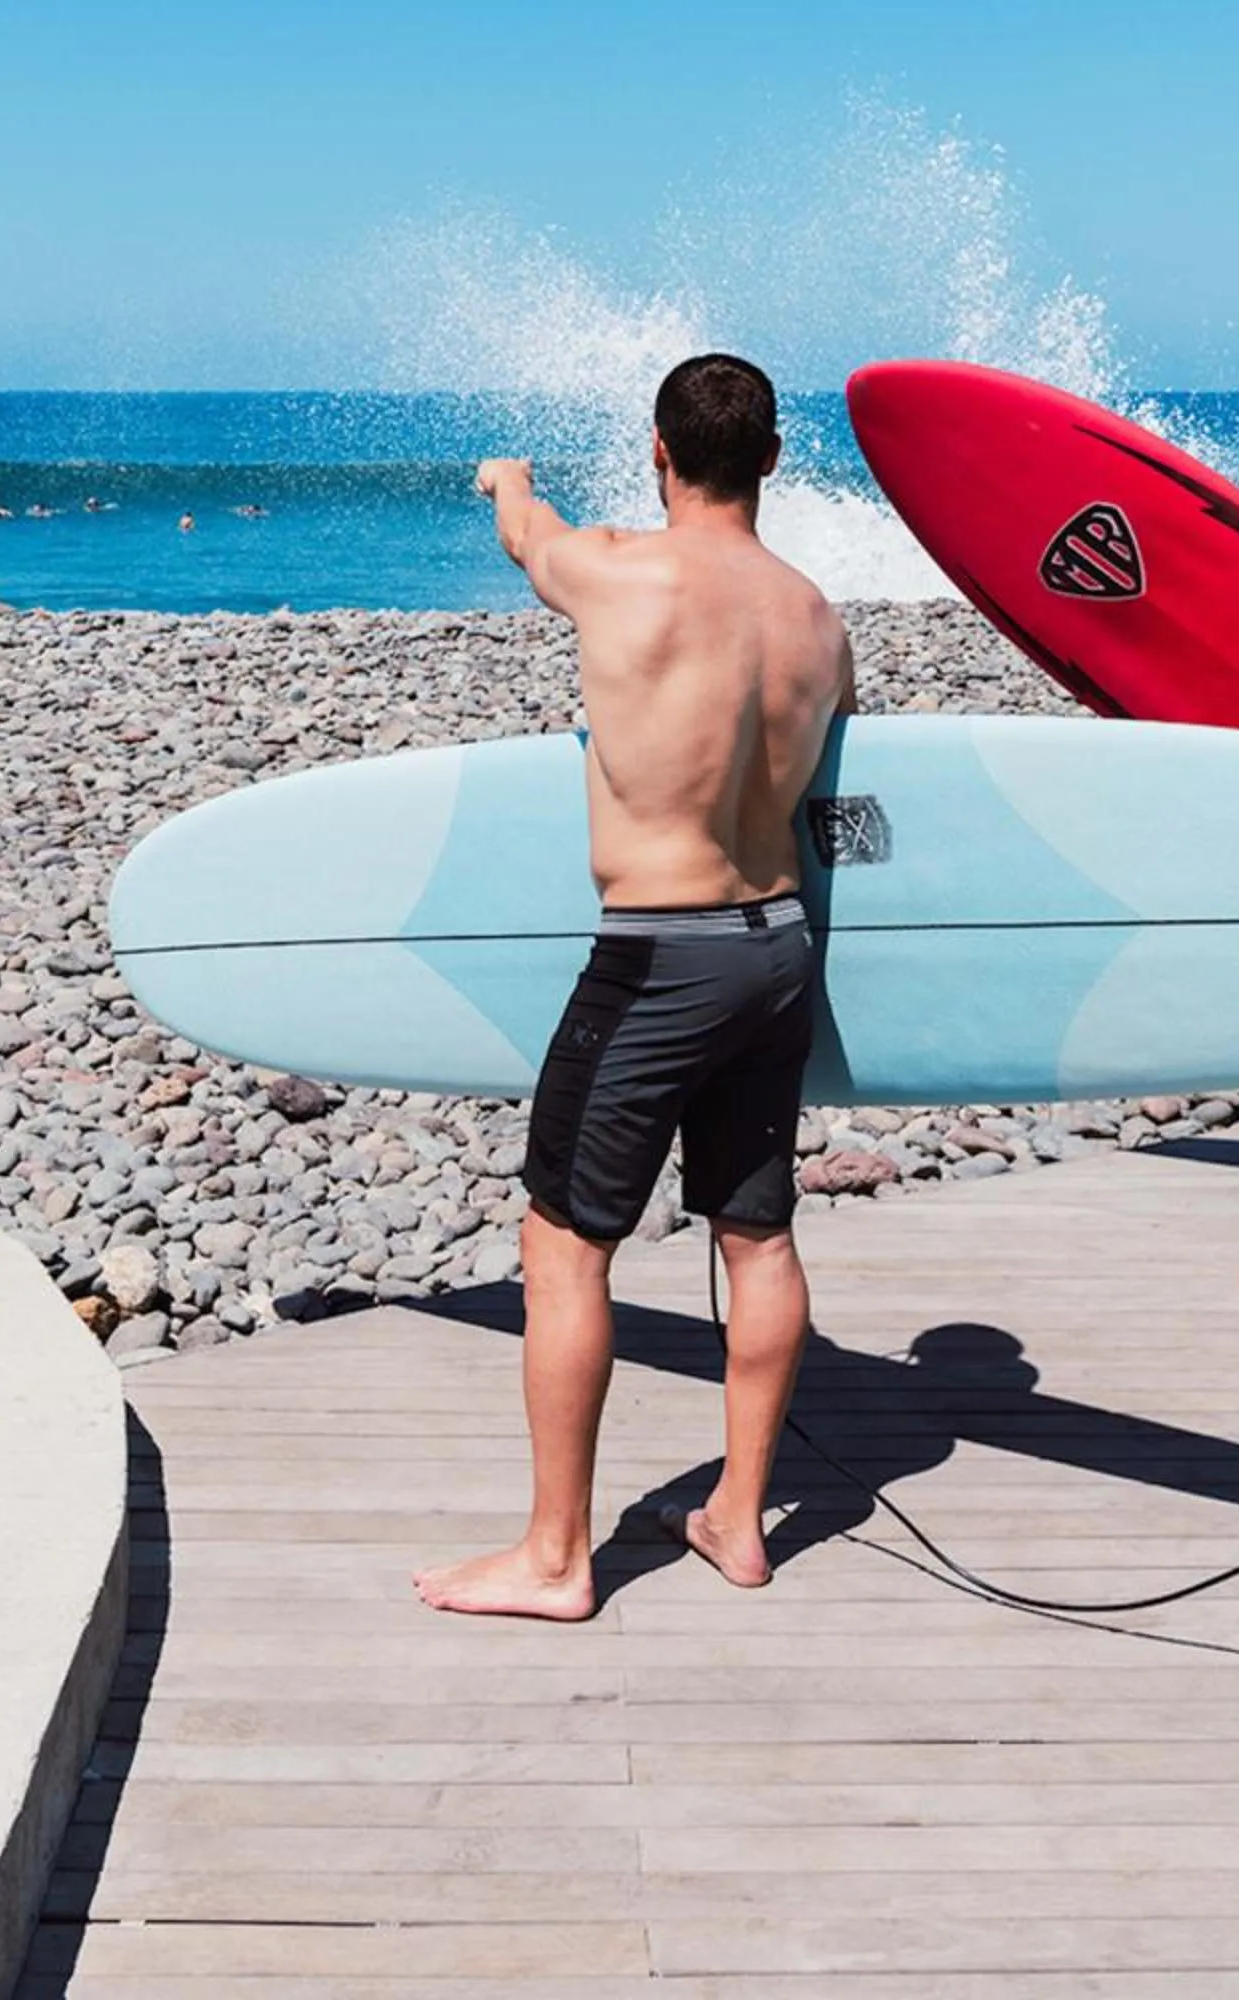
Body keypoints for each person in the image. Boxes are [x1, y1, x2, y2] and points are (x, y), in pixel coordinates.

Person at [413, 354, 855, 1622]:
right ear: (772, 460)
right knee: (757, 1234)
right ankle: (738, 1516)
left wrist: (507, 478)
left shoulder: (618, 570)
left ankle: (558, 1557)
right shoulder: (818, 619)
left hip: (660, 951)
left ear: (659, 452)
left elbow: (527, 536)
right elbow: (837, 801)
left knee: (562, 1245)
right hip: (778, 947)